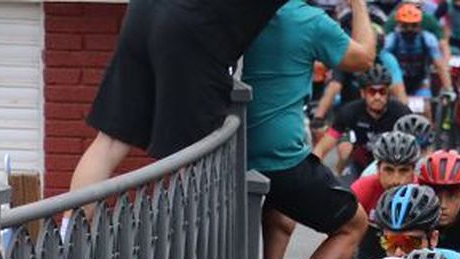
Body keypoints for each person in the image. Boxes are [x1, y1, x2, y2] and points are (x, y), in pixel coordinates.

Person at [74, 0, 295, 192]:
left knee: (110, 141)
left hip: (144, 11)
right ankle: (198, 239)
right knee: (193, 158)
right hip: (194, 28)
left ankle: (68, 236)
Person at [243, 0, 375, 259]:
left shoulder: (236, 12)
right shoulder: (306, 20)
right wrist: (359, 5)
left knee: (283, 210)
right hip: (279, 157)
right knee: (354, 224)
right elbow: (364, 58)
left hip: (235, 150)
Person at [314, 66, 410, 174]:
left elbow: (419, 148)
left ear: (388, 93)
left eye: (382, 91)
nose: (377, 97)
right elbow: (322, 147)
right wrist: (311, 172)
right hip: (360, 163)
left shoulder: (401, 112)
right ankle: (340, 174)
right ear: (363, 93)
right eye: (372, 92)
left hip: (392, 167)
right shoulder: (349, 111)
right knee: (345, 150)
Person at [385, 2, 454, 103]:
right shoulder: (391, 40)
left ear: (419, 24)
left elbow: (440, 65)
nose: (409, 29)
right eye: (405, 25)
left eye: (413, 25)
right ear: (399, 24)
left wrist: (448, 88)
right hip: (397, 82)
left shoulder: (428, 39)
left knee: (426, 108)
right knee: (396, 109)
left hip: (420, 81)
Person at [350, 130, 423, 216]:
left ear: (413, 171)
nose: (396, 180)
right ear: (378, 169)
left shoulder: (422, 191)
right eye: (389, 170)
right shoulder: (362, 187)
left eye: (404, 170)